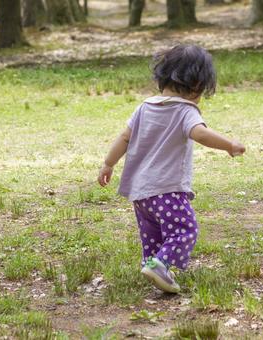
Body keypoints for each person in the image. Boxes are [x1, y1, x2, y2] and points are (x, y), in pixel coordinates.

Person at [98, 44, 245, 293]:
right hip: (167, 190)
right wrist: (228, 144)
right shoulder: (185, 110)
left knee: (153, 233)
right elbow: (200, 134)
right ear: (197, 84)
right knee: (184, 229)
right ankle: (161, 265)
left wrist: (108, 163)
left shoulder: (144, 107)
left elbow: (125, 137)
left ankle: (151, 265)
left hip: (140, 193)